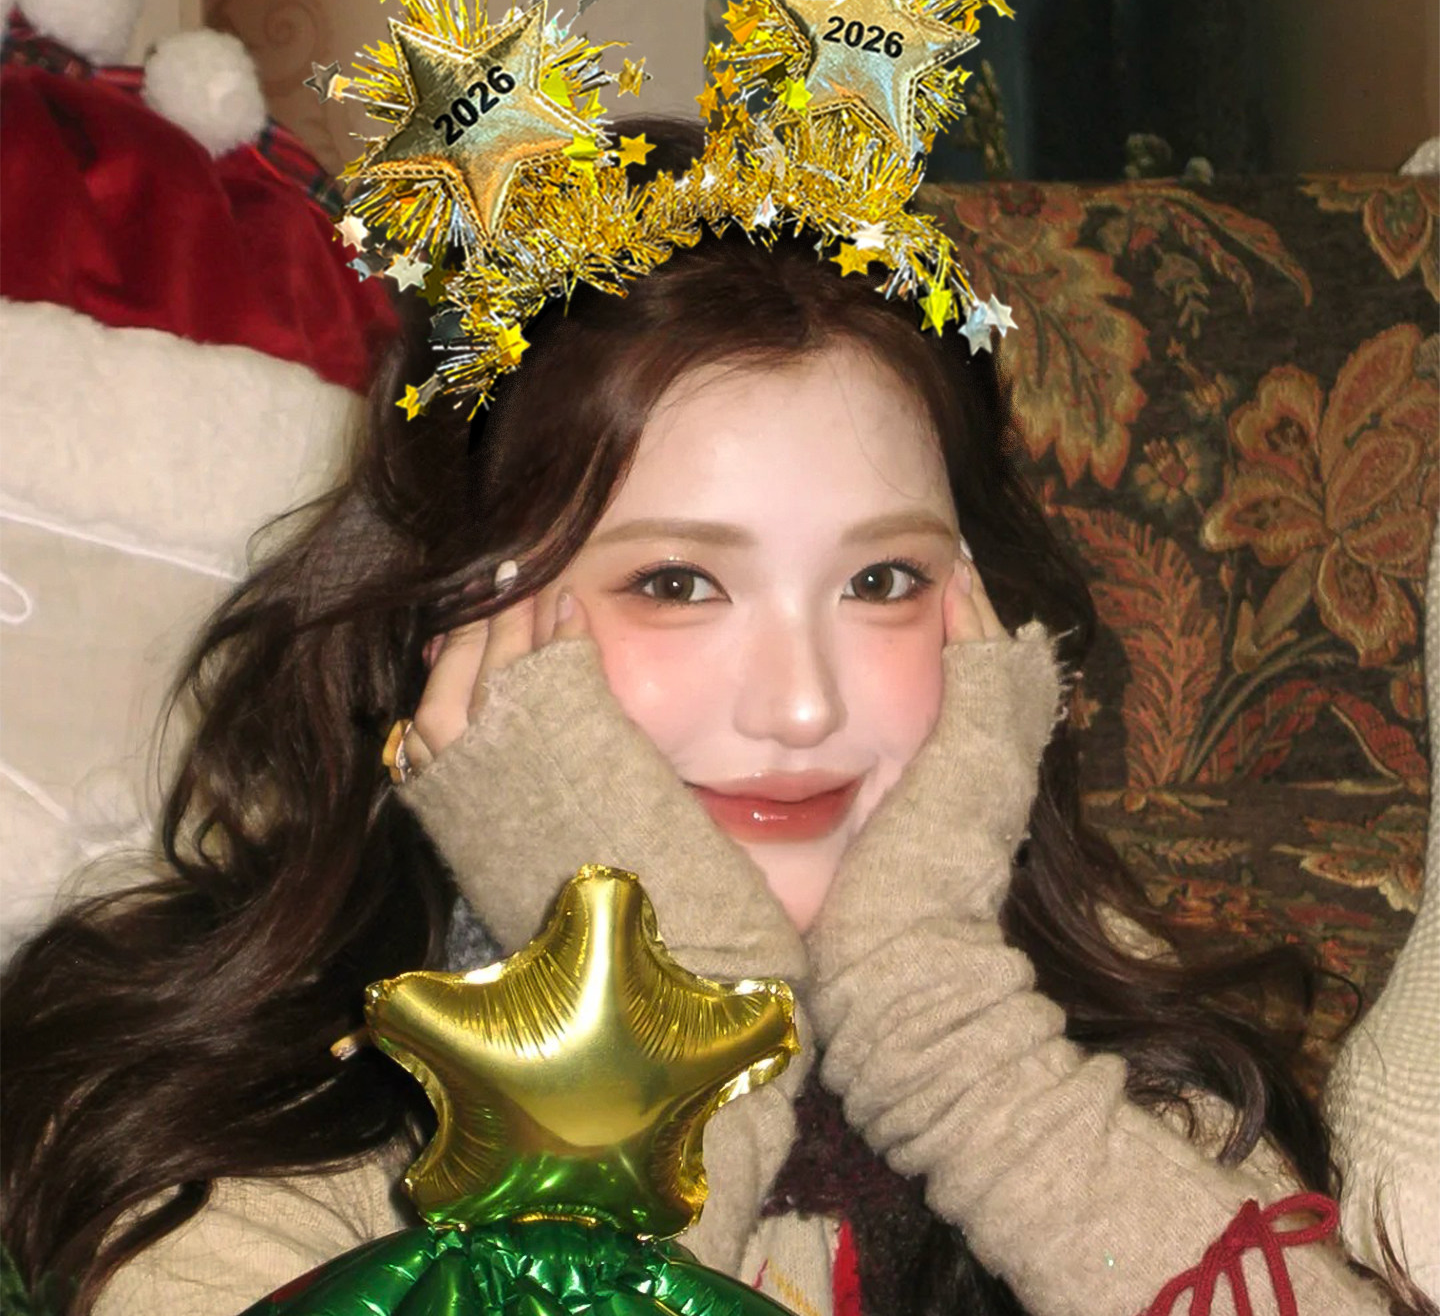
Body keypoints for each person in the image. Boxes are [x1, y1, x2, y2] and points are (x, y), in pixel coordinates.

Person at [1, 111, 1424, 1315]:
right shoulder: (243, 1115)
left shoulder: (1099, 1033)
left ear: (987, 628)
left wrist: (955, 1046)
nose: (802, 706)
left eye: (881, 581)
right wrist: (657, 1024)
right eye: (677, 583)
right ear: (461, 631)